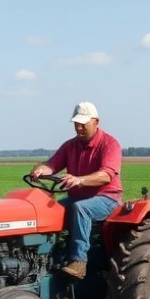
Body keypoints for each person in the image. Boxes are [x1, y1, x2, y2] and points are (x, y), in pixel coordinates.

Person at [30, 101, 123, 279]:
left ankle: (78, 261)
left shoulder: (110, 144)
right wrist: (42, 169)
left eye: (83, 124)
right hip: (77, 198)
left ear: (96, 121)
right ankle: (48, 257)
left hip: (106, 199)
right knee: (49, 211)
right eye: (76, 124)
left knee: (81, 209)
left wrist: (79, 180)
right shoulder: (70, 146)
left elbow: (107, 175)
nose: (79, 128)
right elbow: (52, 164)